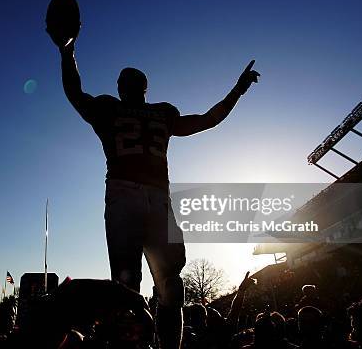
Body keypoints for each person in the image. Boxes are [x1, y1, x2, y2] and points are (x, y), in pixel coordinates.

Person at [53, 32, 261, 349]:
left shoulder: (111, 108)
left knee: (132, 285)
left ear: (123, 88)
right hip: (154, 198)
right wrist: (237, 91)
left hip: (126, 195)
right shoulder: (162, 112)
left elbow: (74, 92)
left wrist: (67, 50)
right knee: (163, 285)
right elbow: (209, 120)